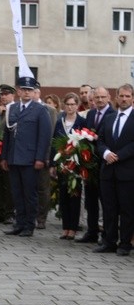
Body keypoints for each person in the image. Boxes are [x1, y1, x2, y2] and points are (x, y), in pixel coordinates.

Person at [0, 76, 52, 237]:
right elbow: (7, 135)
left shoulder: (40, 109)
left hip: (30, 159)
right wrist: (4, 157)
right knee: (17, 192)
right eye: (23, 89)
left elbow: (44, 136)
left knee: (30, 193)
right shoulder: (13, 108)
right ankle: (19, 223)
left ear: (34, 91)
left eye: (30, 90)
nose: (27, 92)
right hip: (14, 157)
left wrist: (40, 158)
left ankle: (29, 225)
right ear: (19, 91)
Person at [94, 83, 134, 256]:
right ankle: (109, 241)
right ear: (116, 97)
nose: (124, 99)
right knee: (109, 208)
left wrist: (118, 155)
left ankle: (125, 243)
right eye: (121, 96)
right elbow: (99, 140)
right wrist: (106, 153)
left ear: (132, 98)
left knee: (127, 210)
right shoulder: (109, 118)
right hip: (108, 171)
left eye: (127, 96)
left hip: (127, 171)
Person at [76, 86, 115, 243]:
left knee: (106, 201)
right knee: (90, 200)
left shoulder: (113, 114)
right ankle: (91, 232)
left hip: (105, 162)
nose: (99, 100)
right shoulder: (91, 113)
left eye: (102, 97)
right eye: (96, 97)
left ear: (109, 98)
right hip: (90, 163)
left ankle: (107, 233)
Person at [49, 93, 87, 240]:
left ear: (77, 105)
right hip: (62, 164)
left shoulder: (82, 122)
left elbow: (85, 143)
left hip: (76, 165)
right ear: (64, 105)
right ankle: (65, 227)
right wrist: (53, 164)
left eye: (73, 104)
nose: (70, 107)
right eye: (68, 104)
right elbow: (54, 142)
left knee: (75, 196)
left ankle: (73, 228)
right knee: (63, 195)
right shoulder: (60, 122)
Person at [33, 84, 58, 230]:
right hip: (28, 155)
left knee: (42, 188)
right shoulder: (22, 109)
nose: (31, 94)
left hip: (43, 155)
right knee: (29, 187)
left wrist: (48, 156)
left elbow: (51, 134)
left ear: (39, 93)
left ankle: (41, 218)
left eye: (34, 91)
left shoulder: (50, 110)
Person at [0, 84, 16, 223]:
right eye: (1, 95)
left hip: (9, 152)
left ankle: (9, 212)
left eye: (6, 94)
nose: (3, 97)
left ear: (13, 95)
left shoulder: (15, 110)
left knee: (9, 184)